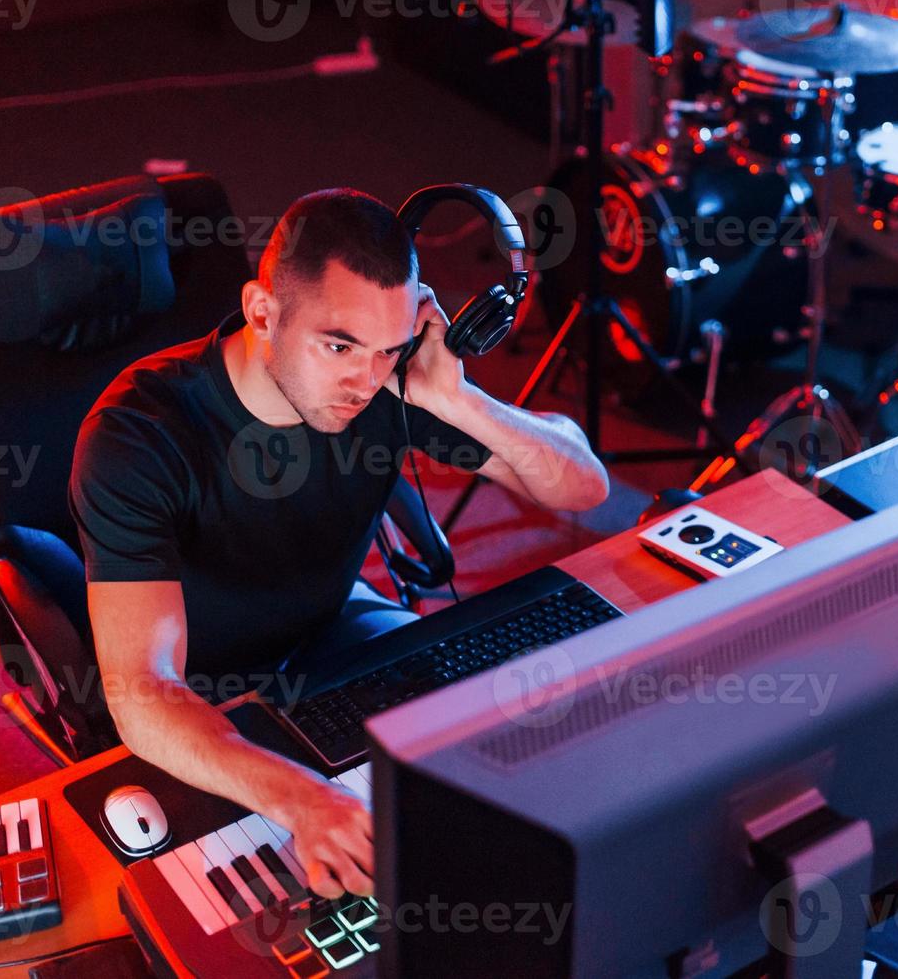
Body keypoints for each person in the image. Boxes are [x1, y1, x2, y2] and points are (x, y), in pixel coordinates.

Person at [69, 188, 608, 898]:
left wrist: (455, 399)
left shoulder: (387, 385)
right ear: (264, 312)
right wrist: (302, 799)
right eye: (338, 345)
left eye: (388, 349)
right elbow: (143, 691)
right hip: (204, 695)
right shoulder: (139, 434)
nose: (364, 380)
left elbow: (583, 488)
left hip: (332, 635)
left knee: (506, 774)